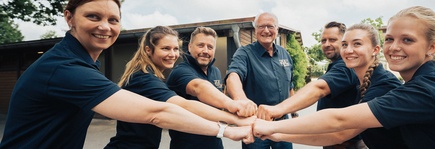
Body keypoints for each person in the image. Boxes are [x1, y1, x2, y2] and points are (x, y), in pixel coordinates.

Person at [0, 0, 252, 148]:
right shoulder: (65, 68)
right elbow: (161, 112)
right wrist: (228, 127)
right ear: (69, 17)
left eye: (113, 20)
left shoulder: (81, 63)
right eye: (93, 16)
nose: (104, 26)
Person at [253, 6, 435, 149]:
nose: (395, 47)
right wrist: (273, 132)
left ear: (431, 47)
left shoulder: (424, 89)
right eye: (390, 38)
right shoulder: (416, 82)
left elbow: (339, 124)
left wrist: (272, 121)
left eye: (407, 40)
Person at [255, 23, 407, 149]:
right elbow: (333, 134)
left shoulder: (383, 84)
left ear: (375, 50)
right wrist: (275, 134)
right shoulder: (362, 80)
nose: (348, 50)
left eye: (357, 44)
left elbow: (338, 130)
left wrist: (276, 116)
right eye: (345, 45)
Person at [104, 26, 254, 149]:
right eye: (166, 48)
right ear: (148, 50)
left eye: (175, 49)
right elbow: (190, 99)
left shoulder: (152, 75)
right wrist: (235, 118)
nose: (173, 54)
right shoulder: (143, 77)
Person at [165, 26, 256, 149]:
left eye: (210, 47)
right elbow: (199, 88)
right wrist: (234, 105)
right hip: (187, 145)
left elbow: (218, 105)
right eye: (201, 45)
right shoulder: (180, 72)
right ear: (190, 47)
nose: (205, 51)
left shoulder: (216, 71)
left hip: (215, 142)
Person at [225, 12, 293, 149]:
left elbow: (290, 85)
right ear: (255, 30)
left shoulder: (285, 54)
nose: (266, 30)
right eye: (261, 26)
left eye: (270, 26)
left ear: (277, 30)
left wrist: (294, 113)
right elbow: (233, 76)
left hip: (282, 125)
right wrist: (242, 101)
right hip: (256, 126)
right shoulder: (244, 53)